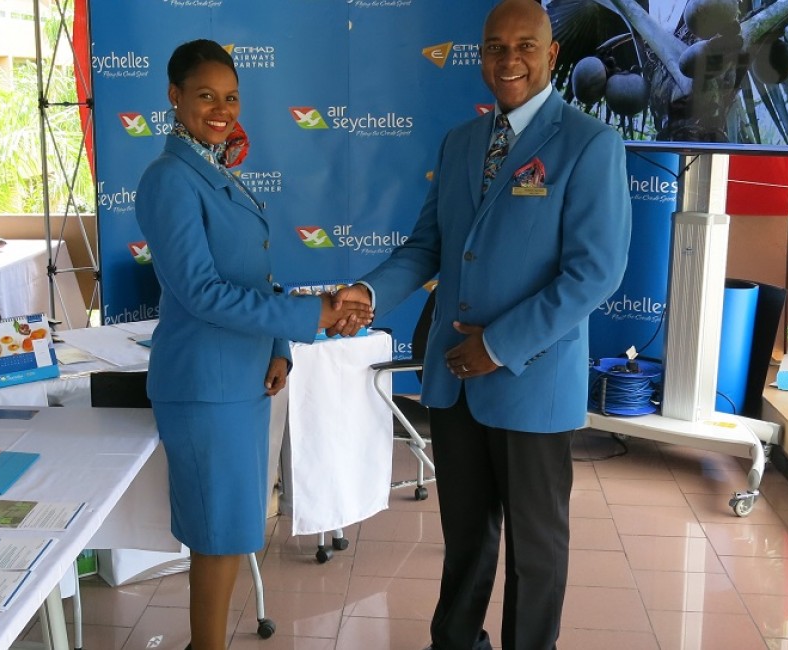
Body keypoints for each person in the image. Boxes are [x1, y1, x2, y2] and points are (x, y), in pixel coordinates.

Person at [331, 2, 631, 648]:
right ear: (481, 56)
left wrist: (498, 345)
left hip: (529, 379)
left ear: (552, 56)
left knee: (535, 552)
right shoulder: (463, 143)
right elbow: (425, 247)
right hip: (455, 380)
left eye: (526, 45)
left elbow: (594, 274)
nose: (509, 59)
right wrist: (366, 293)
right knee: (466, 540)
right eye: (495, 47)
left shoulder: (590, 144)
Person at [135, 39, 371, 650]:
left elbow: (252, 279)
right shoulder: (170, 180)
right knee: (218, 535)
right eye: (206, 95)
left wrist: (280, 345)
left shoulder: (215, 171)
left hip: (241, 378)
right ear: (174, 97)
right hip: (203, 385)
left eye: (231, 96)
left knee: (234, 530)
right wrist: (310, 316)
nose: (221, 108)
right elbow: (203, 293)